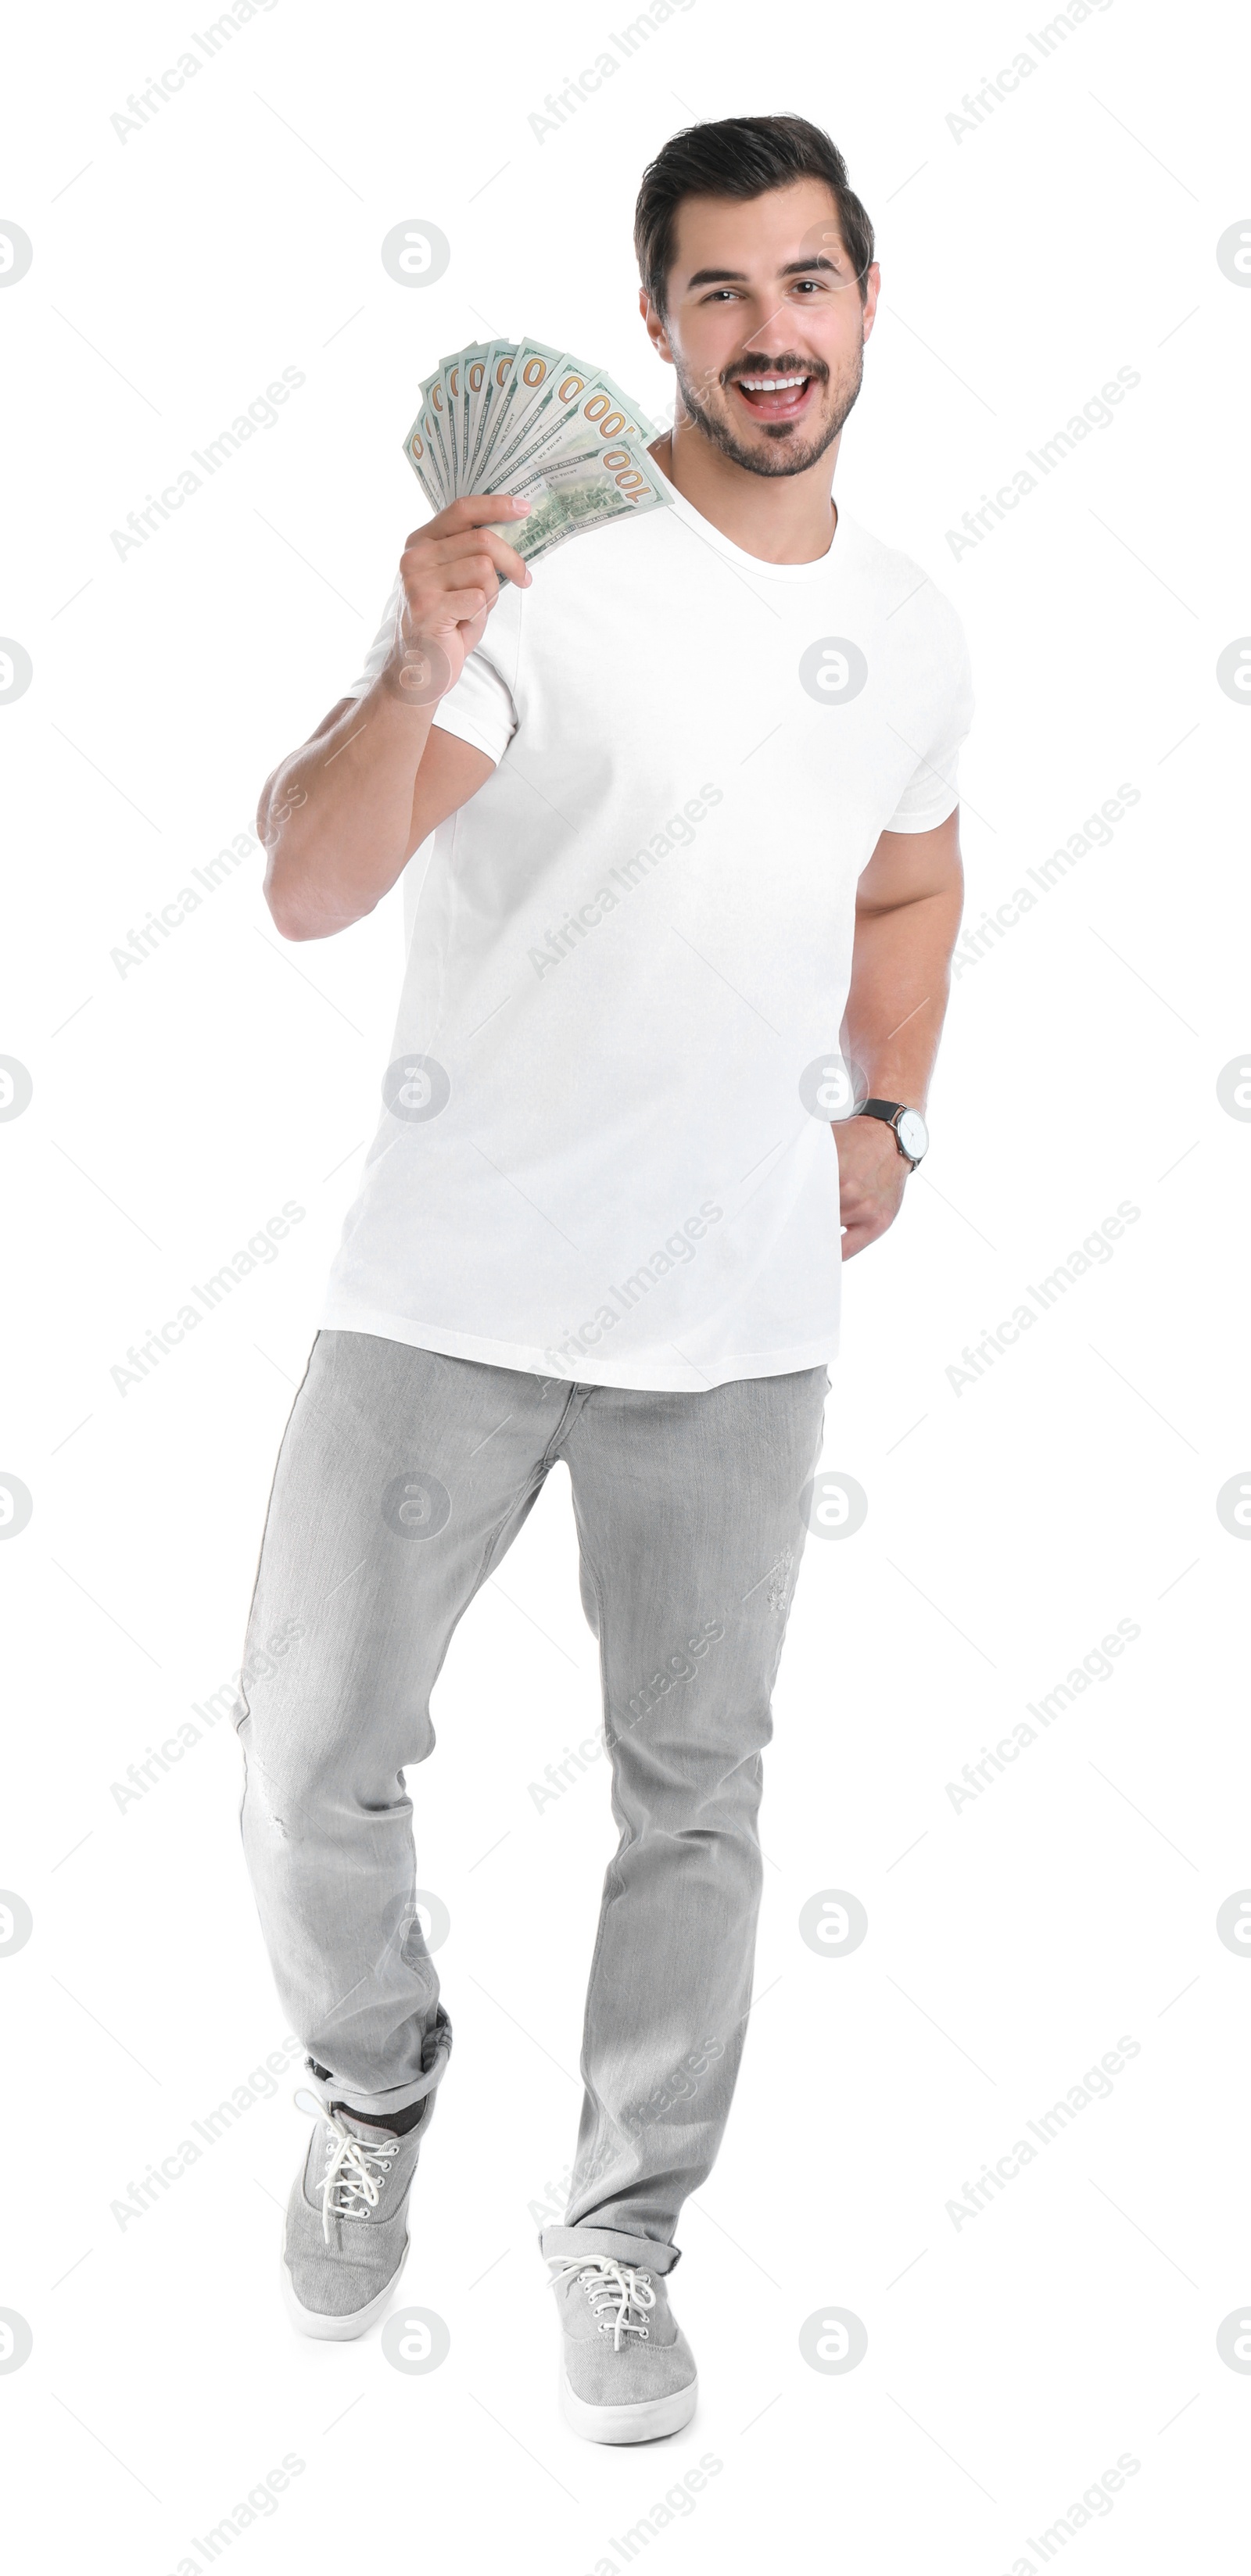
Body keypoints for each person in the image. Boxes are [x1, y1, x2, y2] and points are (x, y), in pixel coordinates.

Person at [235, 110, 973, 2444]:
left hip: (735, 1331)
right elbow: (308, 889)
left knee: (699, 1803)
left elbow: (910, 887)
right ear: (654, 319)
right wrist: (414, 647)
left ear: (865, 305)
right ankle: (377, 2084)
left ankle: (623, 2234)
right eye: (725, 294)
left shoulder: (909, 628)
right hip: (443, 1294)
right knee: (306, 1755)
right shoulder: (537, 554)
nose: (774, 334)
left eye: (811, 285)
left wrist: (895, 1108)